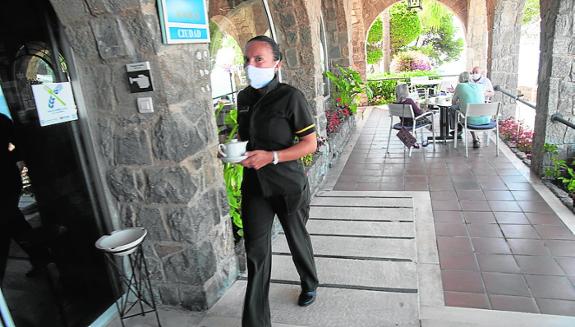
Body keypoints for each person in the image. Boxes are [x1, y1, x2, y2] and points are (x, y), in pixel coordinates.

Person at [236, 35, 319, 327]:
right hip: (255, 186)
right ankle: (256, 322)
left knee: (297, 239)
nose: (251, 65)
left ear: (276, 63)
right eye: (247, 59)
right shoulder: (243, 98)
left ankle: (309, 281)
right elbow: (245, 139)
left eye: (258, 59)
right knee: (256, 253)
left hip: (286, 183)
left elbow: (310, 143)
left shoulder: (290, 96)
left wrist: (271, 157)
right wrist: (233, 151)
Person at [0, 113, 49, 283]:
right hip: (8, 177)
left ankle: (41, 256)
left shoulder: (2, 120)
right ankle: (41, 256)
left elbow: (18, 147)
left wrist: (7, 159)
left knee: (8, 223)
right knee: (13, 222)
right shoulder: (2, 119)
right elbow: (18, 149)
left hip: (5, 180)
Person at [452, 71, 489, 148]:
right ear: (470, 78)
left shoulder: (460, 86)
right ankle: (475, 138)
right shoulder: (479, 86)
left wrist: (460, 102)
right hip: (485, 119)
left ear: (460, 79)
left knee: (453, 109)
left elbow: (453, 102)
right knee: (471, 112)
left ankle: (457, 129)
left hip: (469, 120)